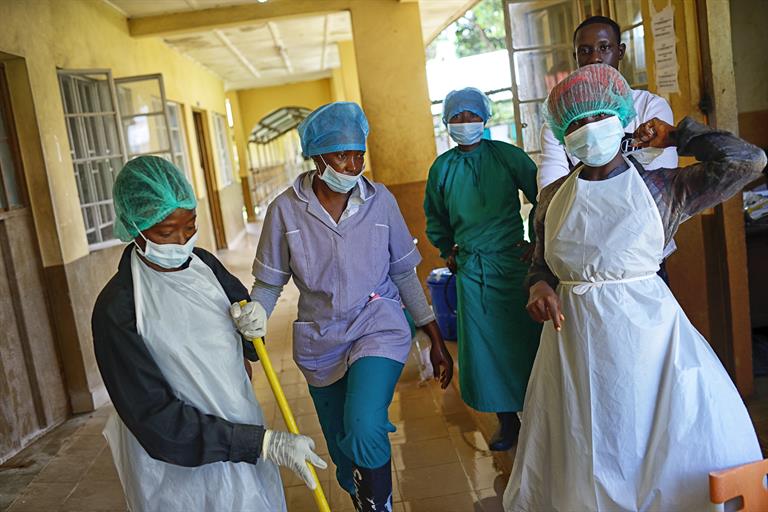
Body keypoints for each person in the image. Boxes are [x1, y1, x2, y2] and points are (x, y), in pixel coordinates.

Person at [503, 63, 765, 511]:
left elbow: (748, 161)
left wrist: (678, 136)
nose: (589, 130)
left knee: (661, 447)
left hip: (652, 345)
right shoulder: (550, 201)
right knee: (585, 448)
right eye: (577, 122)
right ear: (563, 134)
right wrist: (539, 287)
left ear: (621, 119)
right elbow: (541, 265)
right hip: (574, 348)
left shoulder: (665, 190)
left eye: (598, 117)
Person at [234, 102, 453, 512]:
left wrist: (432, 334)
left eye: (359, 154)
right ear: (316, 156)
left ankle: (378, 506)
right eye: (341, 155)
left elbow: (405, 273)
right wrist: (258, 312)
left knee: (364, 423)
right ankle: (363, 496)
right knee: (343, 451)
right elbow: (269, 282)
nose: (353, 165)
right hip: (321, 338)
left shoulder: (380, 200)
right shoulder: (285, 210)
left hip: (378, 324)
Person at [92, 156, 326, 512]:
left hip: (242, 436)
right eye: (165, 233)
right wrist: (262, 445)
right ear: (134, 226)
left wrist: (253, 327)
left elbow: (250, 343)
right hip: (178, 474)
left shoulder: (205, 266)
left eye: (190, 226)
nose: (182, 241)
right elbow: (156, 419)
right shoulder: (119, 309)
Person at [423, 88, 541, 451]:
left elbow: (547, 199)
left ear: (485, 118)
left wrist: (537, 244)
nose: (465, 123)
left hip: (513, 262)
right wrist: (448, 251)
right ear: (446, 122)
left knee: (526, 343)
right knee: (486, 351)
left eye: (472, 115)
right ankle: (507, 422)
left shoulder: (508, 157)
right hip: (472, 271)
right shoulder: (442, 168)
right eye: (456, 117)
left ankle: (537, 416)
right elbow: (435, 218)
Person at [539, 15, 678, 280]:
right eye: (585, 50)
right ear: (576, 56)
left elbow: (659, 186)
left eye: (604, 47)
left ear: (620, 51)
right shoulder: (560, 117)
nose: (595, 58)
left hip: (644, 251)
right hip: (583, 254)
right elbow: (551, 190)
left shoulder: (649, 107)